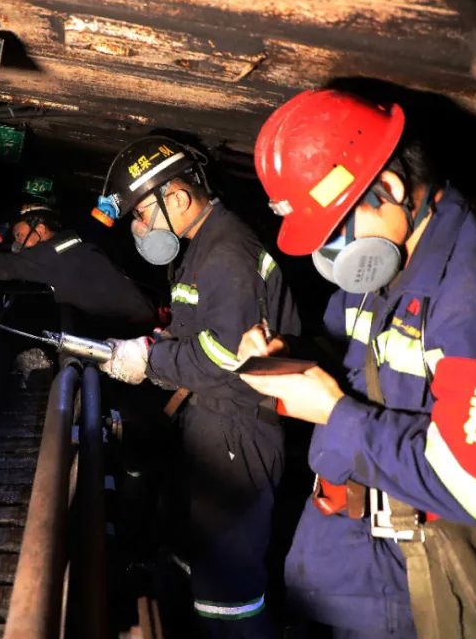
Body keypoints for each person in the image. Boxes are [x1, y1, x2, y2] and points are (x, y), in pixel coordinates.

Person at [236, 88, 476, 637]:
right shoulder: (388, 264)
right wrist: (290, 361)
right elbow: (359, 363)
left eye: (335, 228)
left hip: (413, 582)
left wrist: (334, 413)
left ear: (391, 189)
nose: (329, 251)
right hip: (350, 560)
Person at [95, 135, 300, 638]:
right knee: (197, 563)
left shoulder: (227, 252)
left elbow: (225, 357)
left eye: (141, 214)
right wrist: (159, 342)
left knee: (228, 593)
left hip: (237, 434)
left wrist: (150, 360)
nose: (140, 227)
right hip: (213, 426)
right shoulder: (204, 247)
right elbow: (204, 331)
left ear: (179, 198)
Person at [0, 201, 158, 337]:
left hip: (137, 328)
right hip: (137, 318)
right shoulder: (69, 242)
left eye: (19, 235)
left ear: (40, 230)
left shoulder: (51, 254)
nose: (16, 245)